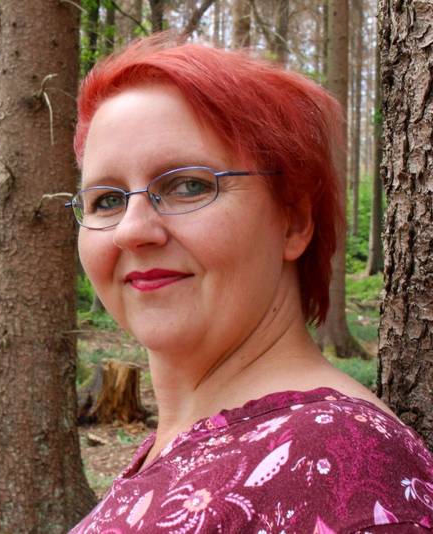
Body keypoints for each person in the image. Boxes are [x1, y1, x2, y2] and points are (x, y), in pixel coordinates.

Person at [66, 35, 433, 533]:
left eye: (189, 185)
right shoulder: (194, 440)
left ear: (293, 223)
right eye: (107, 199)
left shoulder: (339, 465)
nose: (131, 230)